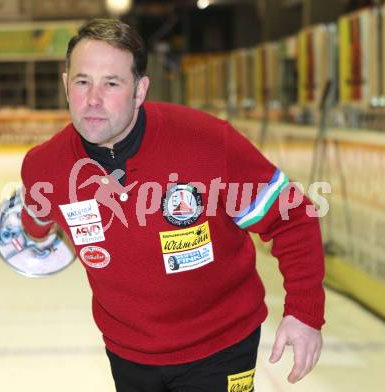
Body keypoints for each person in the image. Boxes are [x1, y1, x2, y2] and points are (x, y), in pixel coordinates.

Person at [20, 18, 325, 392]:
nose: (93, 99)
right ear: (66, 85)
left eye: (111, 83)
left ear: (140, 90)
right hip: (128, 353)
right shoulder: (44, 168)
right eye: (82, 81)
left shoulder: (207, 144)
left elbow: (292, 216)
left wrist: (304, 312)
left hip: (221, 347)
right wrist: (31, 225)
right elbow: (35, 223)